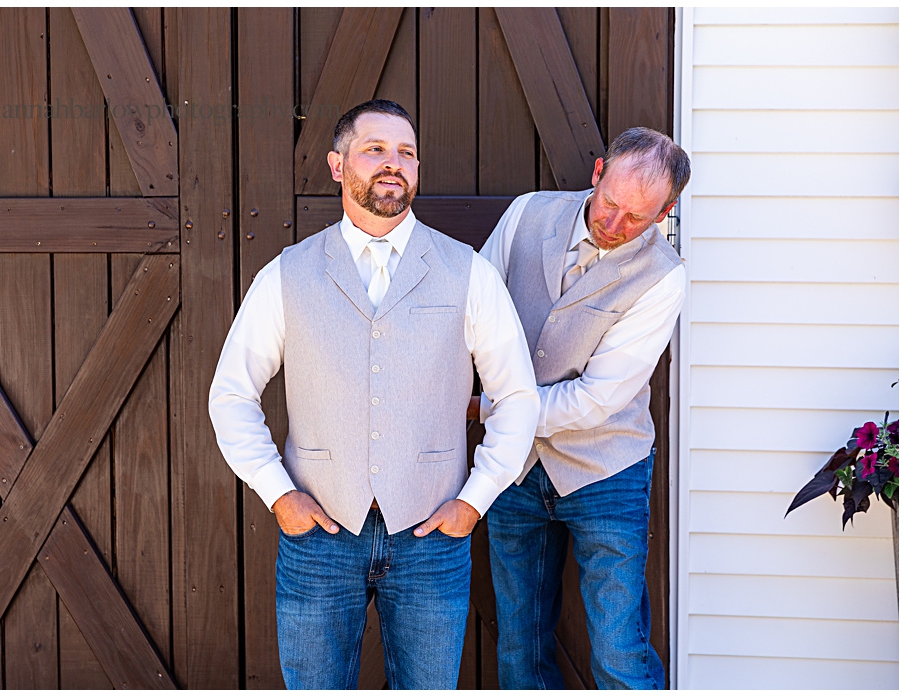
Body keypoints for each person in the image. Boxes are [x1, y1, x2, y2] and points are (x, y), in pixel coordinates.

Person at [209, 99, 540, 689]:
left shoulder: (467, 272)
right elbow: (231, 395)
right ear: (338, 166)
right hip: (319, 539)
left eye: (407, 153)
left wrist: (475, 501)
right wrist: (280, 495)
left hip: (432, 540)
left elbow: (517, 396)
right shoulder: (287, 273)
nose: (394, 163)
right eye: (375, 149)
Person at [471, 126, 689, 689]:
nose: (614, 226)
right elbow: (470, 310)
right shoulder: (526, 215)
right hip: (514, 468)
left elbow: (596, 398)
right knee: (519, 646)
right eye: (610, 204)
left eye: (637, 218)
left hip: (606, 470)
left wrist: (489, 410)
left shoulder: (664, 278)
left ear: (667, 211)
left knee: (618, 649)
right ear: (597, 173)